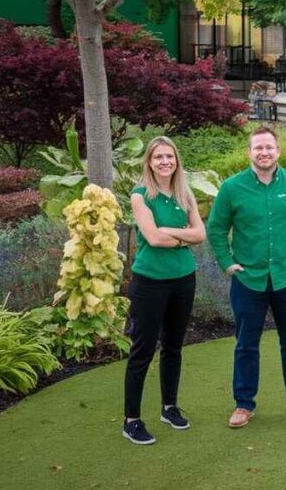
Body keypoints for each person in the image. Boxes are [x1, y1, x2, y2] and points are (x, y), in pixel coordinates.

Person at [206, 126, 286, 428]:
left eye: (269, 147)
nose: (264, 152)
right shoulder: (232, 188)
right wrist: (226, 263)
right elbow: (216, 228)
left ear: (278, 151)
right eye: (258, 148)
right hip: (249, 279)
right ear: (249, 152)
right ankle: (244, 404)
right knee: (246, 343)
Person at [123, 136, 206, 445]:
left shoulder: (186, 194)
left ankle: (169, 407)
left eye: (169, 156)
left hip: (184, 279)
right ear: (149, 161)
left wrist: (171, 232)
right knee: (142, 351)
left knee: (173, 347)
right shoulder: (140, 195)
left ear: (176, 160)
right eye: (158, 157)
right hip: (149, 282)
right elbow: (153, 240)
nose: (164, 162)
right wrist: (185, 237)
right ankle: (131, 420)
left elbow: (201, 234)